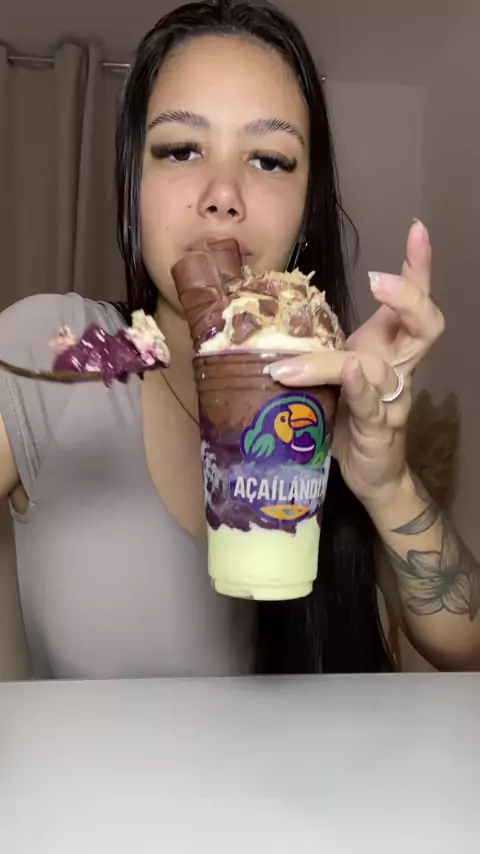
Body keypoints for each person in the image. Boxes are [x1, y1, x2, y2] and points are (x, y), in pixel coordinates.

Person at [0, 0, 478, 680]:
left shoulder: (324, 387)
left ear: (306, 208)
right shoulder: (51, 349)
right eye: (181, 149)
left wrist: (385, 479)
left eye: (270, 159)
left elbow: (466, 648)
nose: (223, 193)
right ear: (134, 184)